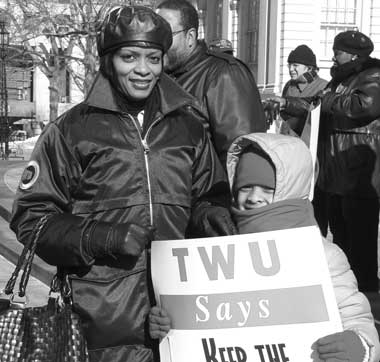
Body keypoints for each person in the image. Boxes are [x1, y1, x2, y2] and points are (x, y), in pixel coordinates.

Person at [9, 5, 232, 362]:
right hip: (99, 321)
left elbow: (207, 193)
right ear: (109, 60)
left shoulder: (189, 128)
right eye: (130, 57)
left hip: (180, 315)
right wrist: (103, 236)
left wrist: (210, 214)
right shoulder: (71, 131)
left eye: (153, 58)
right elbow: (32, 219)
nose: (143, 69)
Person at [150, 132, 380, 362]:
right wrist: (169, 324)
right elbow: (201, 315)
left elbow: (356, 316)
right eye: (244, 187)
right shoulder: (217, 249)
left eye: (267, 190)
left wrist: (361, 346)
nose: (253, 197)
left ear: (289, 190)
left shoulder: (321, 255)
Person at [286, 30, 380, 292]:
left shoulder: (372, 75)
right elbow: (317, 108)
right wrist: (288, 106)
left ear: (352, 54)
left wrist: (327, 100)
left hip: (357, 176)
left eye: (337, 52)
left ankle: (367, 291)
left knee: (360, 241)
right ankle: (345, 288)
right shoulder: (340, 80)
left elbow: (366, 104)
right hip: (334, 174)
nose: (333, 57)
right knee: (340, 238)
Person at [156, 0, 267, 165]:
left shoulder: (224, 74)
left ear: (190, 37)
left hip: (208, 189)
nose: (157, 43)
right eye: (154, 34)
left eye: (166, 35)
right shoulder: (158, 76)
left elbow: (240, 153)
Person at [264, 44, 330, 237]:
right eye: (289, 65)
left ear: (309, 67)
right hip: (290, 153)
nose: (291, 69)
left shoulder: (323, 86)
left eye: (295, 65)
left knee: (315, 203)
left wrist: (286, 104)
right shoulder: (288, 86)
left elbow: (312, 107)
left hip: (314, 154)